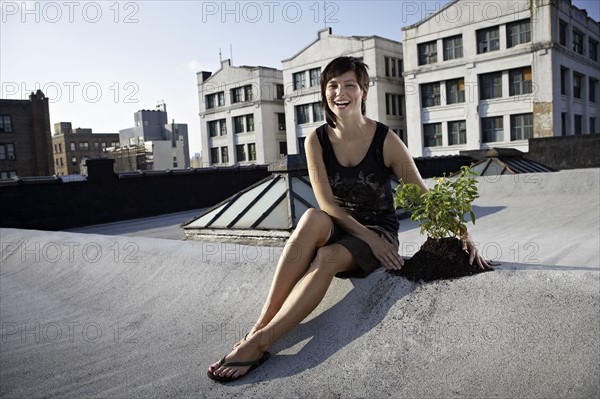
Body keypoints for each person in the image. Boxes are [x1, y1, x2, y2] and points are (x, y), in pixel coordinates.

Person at [207, 56, 488, 382]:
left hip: (379, 232)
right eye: (333, 85)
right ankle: (259, 325)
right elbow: (327, 203)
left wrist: (462, 232)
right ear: (325, 92)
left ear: (364, 90)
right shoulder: (317, 140)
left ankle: (261, 342)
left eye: (349, 85)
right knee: (312, 216)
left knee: (327, 256)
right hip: (339, 223)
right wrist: (366, 238)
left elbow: (424, 195)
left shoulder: (386, 140)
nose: (341, 92)